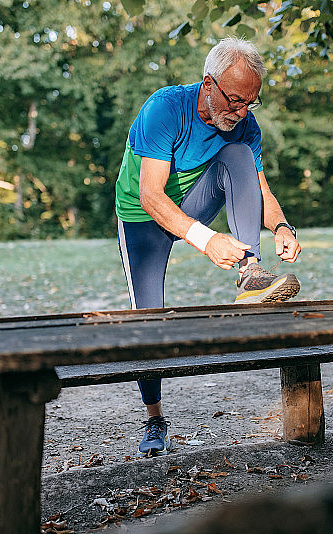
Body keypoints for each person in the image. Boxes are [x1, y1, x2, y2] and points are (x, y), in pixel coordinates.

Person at [115, 37, 301, 456]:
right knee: (148, 318)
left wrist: (282, 227)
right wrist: (207, 238)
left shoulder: (244, 125)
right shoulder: (166, 108)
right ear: (209, 83)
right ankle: (155, 419)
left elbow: (259, 188)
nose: (240, 113)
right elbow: (151, 195)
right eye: (234, 101)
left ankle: (250, 273)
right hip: (143, 214)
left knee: (237, 156)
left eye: (249, 104)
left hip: (190, 201)